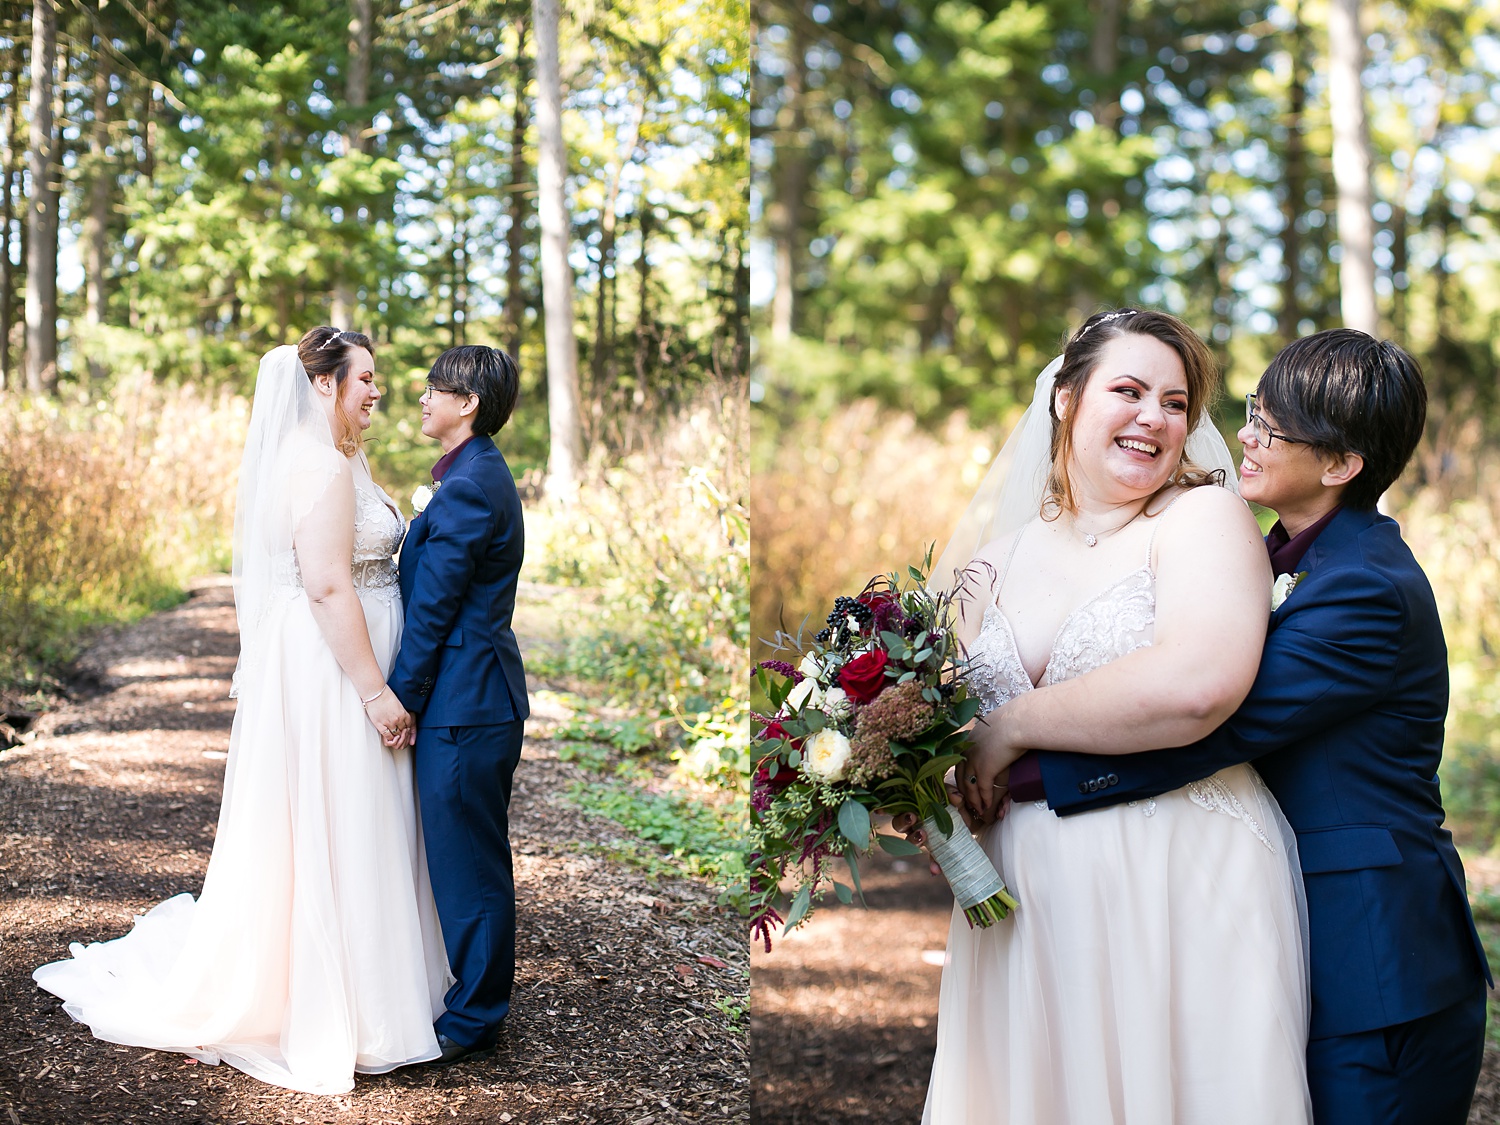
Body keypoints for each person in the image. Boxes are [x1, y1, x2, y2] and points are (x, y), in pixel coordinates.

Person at [968, 329, 1491, 1125]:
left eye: (1271, 429)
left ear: (1342, 464)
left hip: (1378, 964)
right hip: (1304, 940)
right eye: (1251, 410)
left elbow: (1212, 726)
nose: (1243, 435)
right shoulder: (1286, 560)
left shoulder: (1366, 589)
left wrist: (1008, 762)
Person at [908, 309, 1312, 1124]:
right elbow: (946, 728)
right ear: (1065, 399)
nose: (1154, 418)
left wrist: (1014, 723)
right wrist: (922, 782)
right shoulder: (991, 564)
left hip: (1176, 877)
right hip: (1022, 903)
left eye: (1174, 402)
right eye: (1128, 390)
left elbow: (1200, 682)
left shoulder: (1203, 520)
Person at [32, 328, 450, 1094]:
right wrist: (373, 689)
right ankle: (334, 1000)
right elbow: (327, 587)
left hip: (338, 654)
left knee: (353, 816)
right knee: (339, 815)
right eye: (365, 377)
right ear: (322, 383)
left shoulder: (339, 453)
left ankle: (372, 985)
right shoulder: (319, 466)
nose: (377, 390)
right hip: (333, 670)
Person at [386, 344, 529, 1064]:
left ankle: (474, 1019)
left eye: (434, 388)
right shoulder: (469, 475)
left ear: (467, 401)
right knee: (464, 856)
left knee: (470, 864)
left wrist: (399, 698)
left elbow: (436, 607)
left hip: (466, 704)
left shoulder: (472, 483)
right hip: (469, 698)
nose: (421, 397)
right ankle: (471, 999)